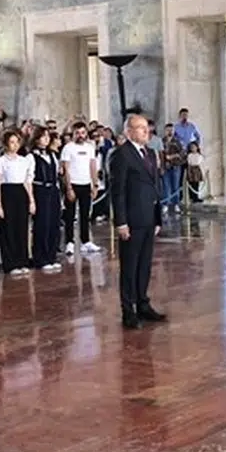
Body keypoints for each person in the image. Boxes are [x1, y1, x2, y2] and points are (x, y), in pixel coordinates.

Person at [109, 114, 165, 330]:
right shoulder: (121, 155)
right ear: (129, 131)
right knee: (130, 266)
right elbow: (118, 192)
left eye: (146, 127)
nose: (146, 131)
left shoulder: (150, 153)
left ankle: (143, 303)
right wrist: (121, 222)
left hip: (148, 218)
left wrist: (157, 217)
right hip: (132, 219)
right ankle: (128, 310)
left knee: (144, 265)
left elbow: (155, 186)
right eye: (140, 128)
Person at [0, 129, 35, 275]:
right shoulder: (0, 162)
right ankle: (10, 264)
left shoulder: (24, 161)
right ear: (6, 144)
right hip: (7, 193)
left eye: (17, 142)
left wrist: (31, 201)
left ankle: (22, 261)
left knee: (22, 229)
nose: (15, 145)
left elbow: (27, 182)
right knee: (8, 229)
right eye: (12, 142)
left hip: (21, 193)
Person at [60, 121, 100, 255]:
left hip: (86, 184)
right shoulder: (68, 148)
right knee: (70, 215)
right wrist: (69, 188)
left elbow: (93, 166)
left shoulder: (90, 148)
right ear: (73, 134)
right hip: (73, 184)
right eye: (77, 133)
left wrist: (95, 185)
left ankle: (86, 241)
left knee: (85, 214)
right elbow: (66, 169)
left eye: (83, 133)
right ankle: (69, 242)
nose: (80, 135)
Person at [29, 127, 62, 270]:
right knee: (42, 224)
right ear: (36, 139)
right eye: (43, 136)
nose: (47, 139)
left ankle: (51, 256)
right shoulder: (31, 157)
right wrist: (31, 200)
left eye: (48, 136)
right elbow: (29, 179)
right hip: (40, 190)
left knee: (54, 223)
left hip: (53, 191)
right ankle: (40, 258)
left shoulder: (52, 155)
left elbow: (56, 175)